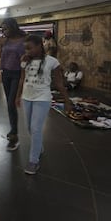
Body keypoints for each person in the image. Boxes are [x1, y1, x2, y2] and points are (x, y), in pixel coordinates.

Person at [15, 35, 72, 174]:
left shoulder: (52, 62)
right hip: (27, 97)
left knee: (35, 128)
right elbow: (22, 79)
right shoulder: (25, 61)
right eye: (25, 49)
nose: (26, 51)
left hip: (43, 98)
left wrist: (67, 101)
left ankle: (33, 161)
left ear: (39, 46)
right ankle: (38, 146)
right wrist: (18, 96)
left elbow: (59, 83)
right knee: (29, 127)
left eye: (29, 48)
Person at [0, 18, 27, 151]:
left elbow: (25, 60)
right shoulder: (5, 40)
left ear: (13, 27)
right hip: (6, 74)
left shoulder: (24, 40)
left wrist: (22, 80)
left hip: (17, 73)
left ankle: (14, 134)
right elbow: (1, 56)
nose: (4, 31)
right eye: (2, 29)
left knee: (11, 103)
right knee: (10, 106)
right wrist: (0, 45)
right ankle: (13, 130)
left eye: (6, 29)